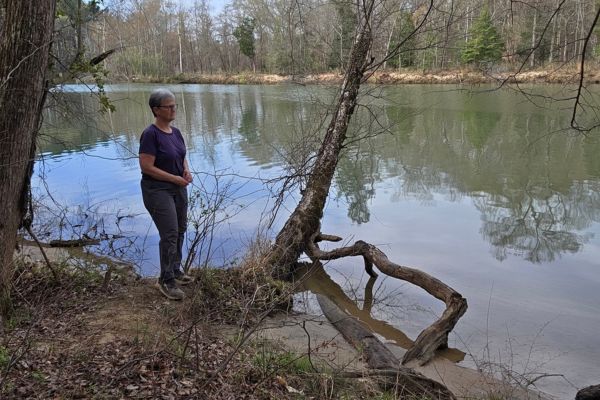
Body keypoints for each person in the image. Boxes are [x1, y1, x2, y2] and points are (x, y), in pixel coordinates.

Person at [139, 89, 194, 300]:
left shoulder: (176, 133)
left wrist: (185, 170)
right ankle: (166, 280)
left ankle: (175, 270)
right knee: (170, 232)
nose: (173, 109)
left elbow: (182, 157)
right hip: (157, 190)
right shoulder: (150, 134)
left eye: (174, 106)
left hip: (178, 187)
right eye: (168, 106)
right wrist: (173, 179)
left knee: (180, 229)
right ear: (156, 110)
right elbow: (146, 167)